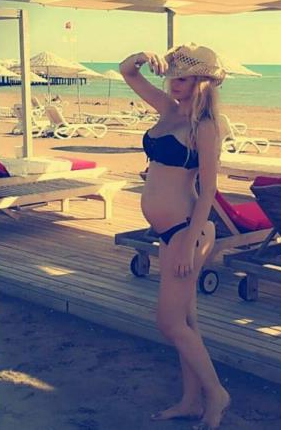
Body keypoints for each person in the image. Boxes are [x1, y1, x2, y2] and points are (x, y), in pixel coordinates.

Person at [119, 43, 230, 430]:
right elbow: (127, 71)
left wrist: (186, 243)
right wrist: (142, 57)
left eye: (182, 78)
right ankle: (190, 401)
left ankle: (216, 394)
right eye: (171, 77)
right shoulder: (168, 110)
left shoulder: (206, 127)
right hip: (170, 232)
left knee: (169, 323)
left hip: (187, 231)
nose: (174, 84)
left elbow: (209, 190)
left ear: (202, 82)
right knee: (185, 321)